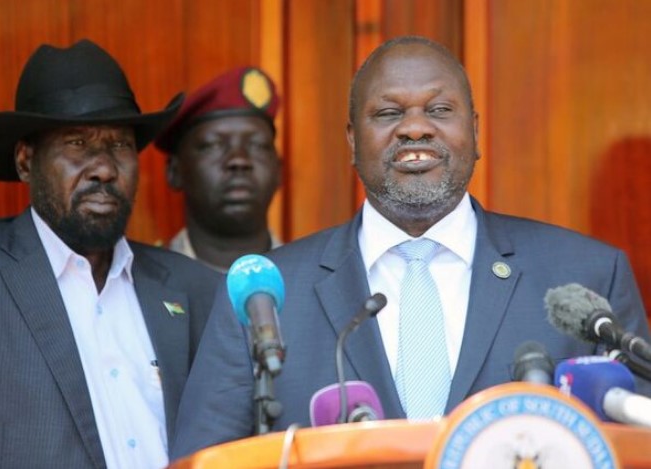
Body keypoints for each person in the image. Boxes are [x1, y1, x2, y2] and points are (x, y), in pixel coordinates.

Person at [170, 35, 651, 458]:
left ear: (476, 132)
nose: (415, 129)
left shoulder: (587, 276)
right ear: (353, 141)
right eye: (388, 113)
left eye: (439, 110)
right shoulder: (266, 297)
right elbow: (208, 456)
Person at [0, 39, 220, 468]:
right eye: (77, 143)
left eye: (119, 145)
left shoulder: (195, 289)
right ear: (25, 161)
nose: (104, 168)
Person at [154, 67, 283, 272]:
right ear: (174, 171)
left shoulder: (313, 281)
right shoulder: (141, 286)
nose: (239, 160)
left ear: (279, 170)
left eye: (257, 145)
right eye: (213, 145)